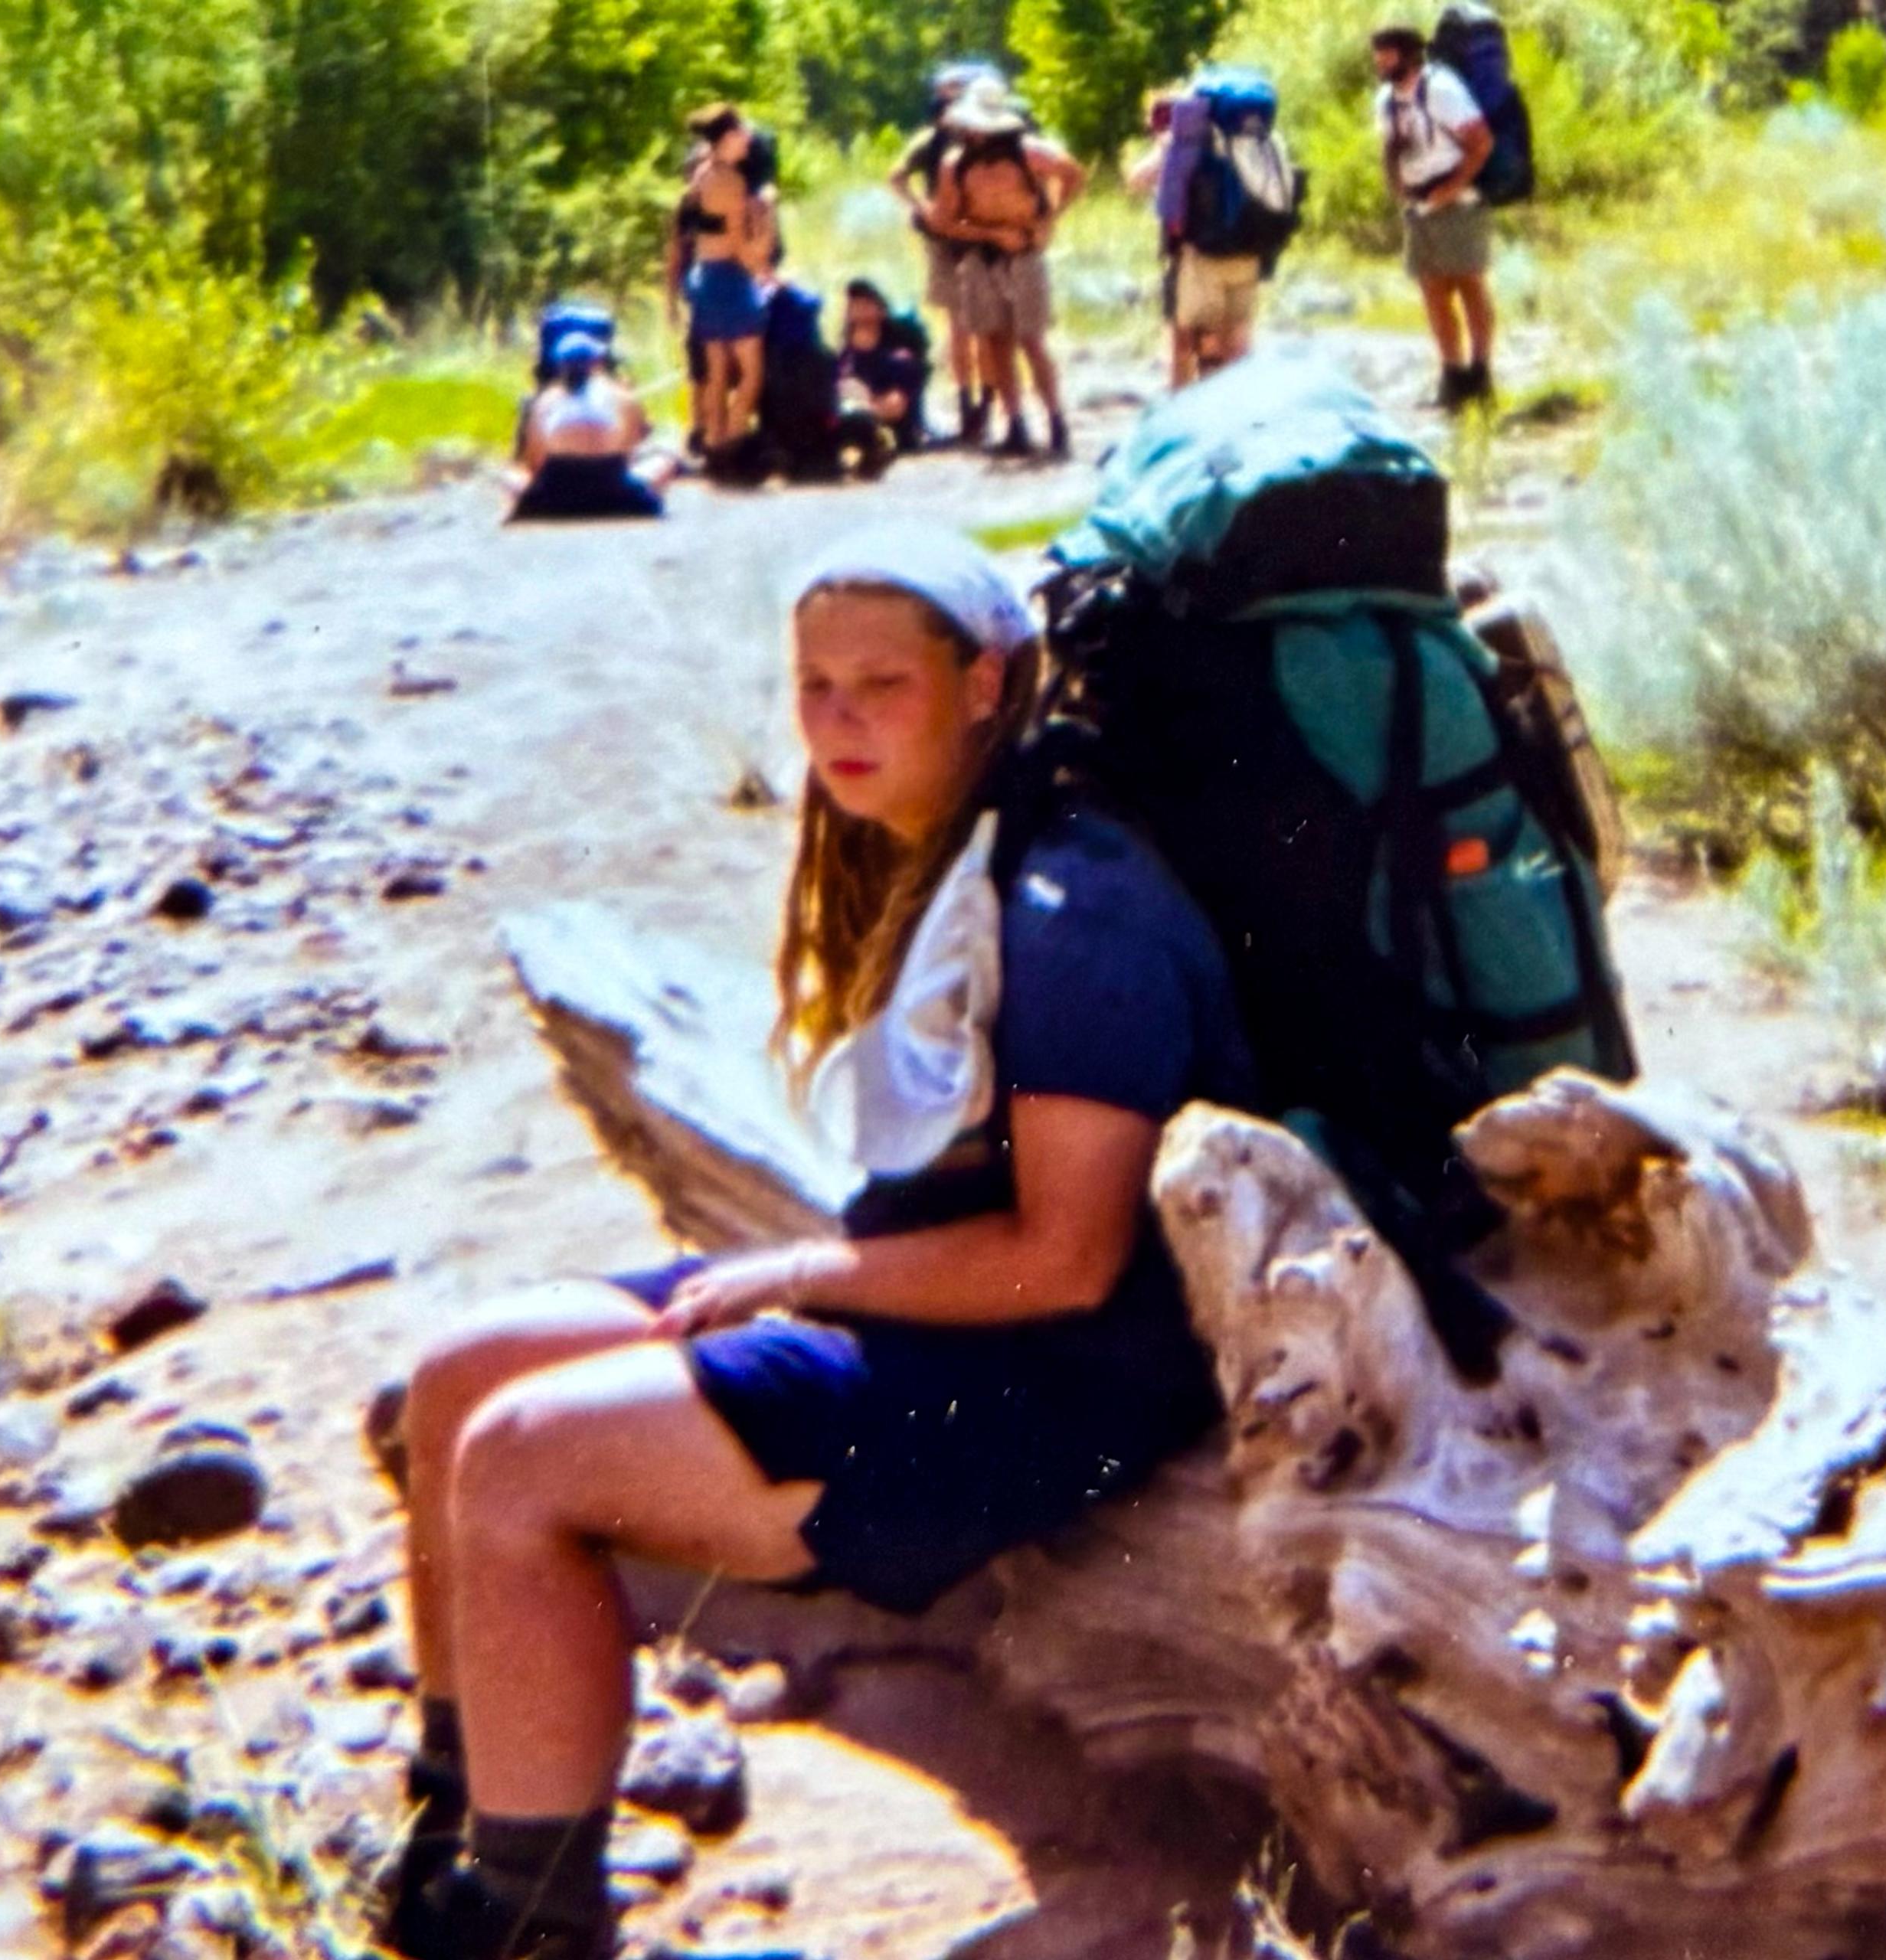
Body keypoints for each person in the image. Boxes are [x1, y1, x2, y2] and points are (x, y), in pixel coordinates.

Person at [377, 525, 1256, 1960]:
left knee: (523, 1459)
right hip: (931, 1324)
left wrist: (805, 1274)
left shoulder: (1070, 909)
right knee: (461, 1379)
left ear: (983, 685)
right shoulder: (948, 846)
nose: (838, 724)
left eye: (880, 688)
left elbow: (1070, 1261)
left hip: (1052, 1388)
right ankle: (455, 1839)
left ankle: (531, 1928)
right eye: (815, 688)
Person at [930, 78, 1083, 459]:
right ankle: (1014, 422)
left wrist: (1051, 218)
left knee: (1032, 341)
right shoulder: (956, 165)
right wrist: (991, 233)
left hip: (1026, 254)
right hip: (982, 257)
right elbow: (942, 221)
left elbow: (1074, 174)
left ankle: (1056, 420)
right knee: (995, 342)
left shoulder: (1029, 153)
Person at [1371, 23, 1497, 410]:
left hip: (1457, 201)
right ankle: (1452, 376)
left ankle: (1480, 373)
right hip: (1419, 204)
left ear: (1409, 55)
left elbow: (1481, 142)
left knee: (1469, 283)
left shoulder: (1442, 89)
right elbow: (1392, 146)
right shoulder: (1386, 100)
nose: (1380, 62)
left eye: (1387, 53)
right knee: (1432, 290)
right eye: (1378, 54)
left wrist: (1452, 188)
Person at [888, 63, 999, 446]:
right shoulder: (937, 141)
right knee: (963, 327)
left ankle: (979, 402)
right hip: (952, 239)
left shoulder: (942, 139)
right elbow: (897, 175)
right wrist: (923, 208)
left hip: (966, 238)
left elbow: (896, 176)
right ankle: (974, 403)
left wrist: (921, 209)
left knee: (972, 326)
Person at [1126, 88, 1263, 390]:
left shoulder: (1175, 145)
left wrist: (1163, 153)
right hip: (1247, 249)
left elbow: (1136, 179)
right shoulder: (1241, 142)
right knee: (1236, 334)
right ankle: (1240, 400)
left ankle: (1183, 401)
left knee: (1186, 336)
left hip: (1190, 254)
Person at [668, 102, 779, 462]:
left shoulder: (701, 175)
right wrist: (762, 267)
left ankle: (713, 442)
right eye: (742, 132)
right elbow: (735, 242)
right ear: (729, 136)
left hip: (704, 276)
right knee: (751, 372)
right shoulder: (731, 181)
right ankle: (733, 440)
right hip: (729, 279)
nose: (748, 139)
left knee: (715, 370)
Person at [505, 331, 678, 521]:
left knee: (509, 476)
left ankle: (534, 508)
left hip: (556, 488)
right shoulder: (620, 395)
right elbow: (630, 451)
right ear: (595, 364)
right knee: (665, 460)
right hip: (612, 484)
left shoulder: (545, 401)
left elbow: (534, 461)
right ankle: (639, 503)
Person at [838, 279, 929, 458]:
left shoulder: (899, 360)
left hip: (890, 438)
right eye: (854, 304)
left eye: (866, 304)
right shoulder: (841, 361)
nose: (859, 309)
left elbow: (895, 408)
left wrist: (859, 406)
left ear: (881, 311)